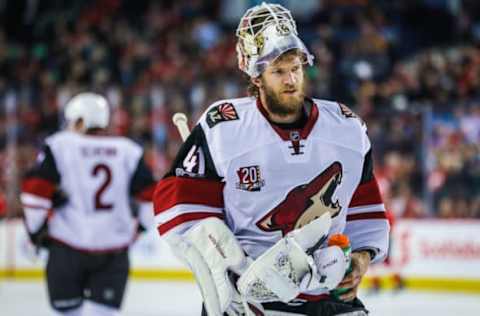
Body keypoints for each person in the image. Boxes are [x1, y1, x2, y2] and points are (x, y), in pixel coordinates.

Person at [154, 3, 389, 316]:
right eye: (278, 71)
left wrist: (359, 259)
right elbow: (180, 208)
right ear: (257, 76)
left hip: (327, 297)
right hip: (249, 301)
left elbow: (364, 208)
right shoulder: (223, 126)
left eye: (296, 68)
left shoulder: (347, 128)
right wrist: (217, 262)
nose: (290, 79)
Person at [21, 93, 156, 316]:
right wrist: (140, 228)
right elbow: (151, 195)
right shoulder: (128, 150)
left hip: (66, 247)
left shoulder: (59, 145)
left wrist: (35, 231)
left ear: (80, 120)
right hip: (114, 250)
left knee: (68, 312)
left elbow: (34, 194)